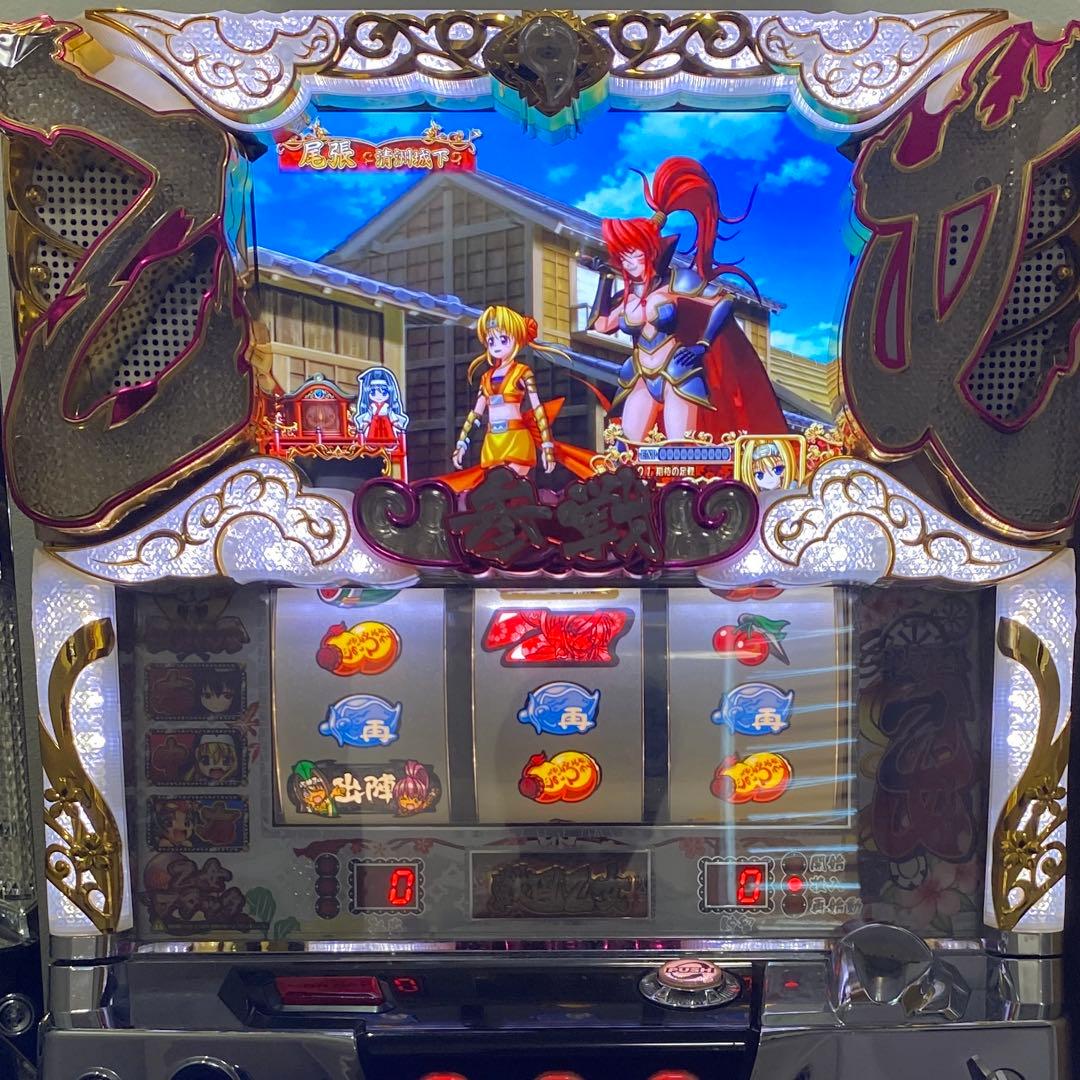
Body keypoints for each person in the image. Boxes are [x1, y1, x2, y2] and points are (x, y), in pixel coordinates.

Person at [588, 156, 787, 443]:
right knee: (628, 449)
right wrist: (605, 281)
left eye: (634, 254)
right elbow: (601, 325)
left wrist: (702, 345)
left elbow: (722, 301)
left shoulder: (677, 282)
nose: (628, 263)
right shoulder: (628, 297)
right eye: (623, 256)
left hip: (677, 372)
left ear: (651, 252)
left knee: (680, 450)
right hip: (641, 374)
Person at [448, 305, 595, 491]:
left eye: (503, 339)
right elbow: (476, 414)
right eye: (491, 340)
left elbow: (538, 410)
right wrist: (462, 443)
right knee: (494, 494)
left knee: (512, 490)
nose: (497, 346)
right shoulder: (486, 378)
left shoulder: (522, 372)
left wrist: (547, 445)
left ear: (516, 338)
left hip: (516, 440)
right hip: (492, 442)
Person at [355, 367, 408, 446]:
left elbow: (393, 418)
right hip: (374, 425)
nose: (378, 396)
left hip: (386, 425)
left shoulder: (387, 407)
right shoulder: (372, 407)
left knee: (388, 441)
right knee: (372, 442)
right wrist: (363, 427)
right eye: (373, 393)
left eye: (383, 393)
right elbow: (367, 418)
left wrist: (399, 426)